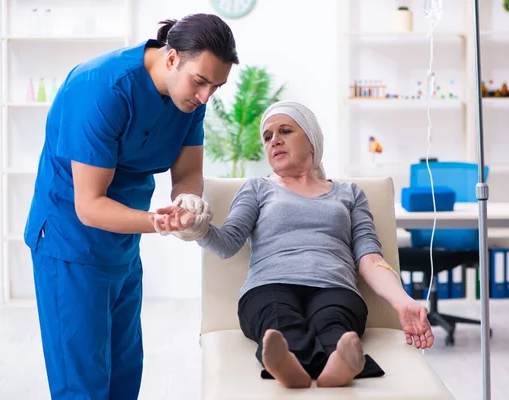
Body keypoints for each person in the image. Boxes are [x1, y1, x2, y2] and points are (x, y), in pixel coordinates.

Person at [23, 14, 237, 399]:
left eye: (216, 87)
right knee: (83, 383)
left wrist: (186, 200)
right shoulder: (100, 88)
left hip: (123, 243)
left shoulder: (189, 99)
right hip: (70, 242)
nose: (206, 96)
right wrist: (161, 222)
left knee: (124, 372)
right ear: (171, 58)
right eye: (201, 82)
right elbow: (89, 206)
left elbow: (188, 171)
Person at [154, 101, 435, 389]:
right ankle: (290, 365)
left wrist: (403, 301)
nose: (274, 140)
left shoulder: (350, 193)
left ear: (312, 141)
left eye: (285, 131)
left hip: (334, 286)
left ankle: (339, 364)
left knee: (334, 320)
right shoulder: (257, 188)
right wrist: (196, 227)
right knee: (277, 318)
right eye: (267, 136)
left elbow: (370, 257)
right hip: (269, 285)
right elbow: (227, 243)